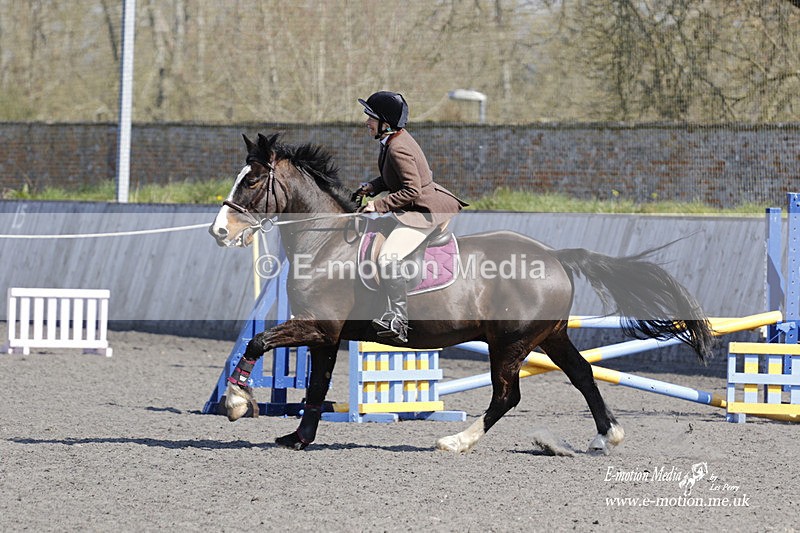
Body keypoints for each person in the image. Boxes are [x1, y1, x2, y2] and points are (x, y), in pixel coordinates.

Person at [356, 91, 467, 344]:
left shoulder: (398, 148)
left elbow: (411, 190)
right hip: (413, 205)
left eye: (370, 117)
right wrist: (372, 187)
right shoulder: (392, 141)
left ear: (385, 122)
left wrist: (379, 205)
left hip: (423, 210)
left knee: (388, 257)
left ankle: (398, 318)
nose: (367, 122)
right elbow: (393, 178)